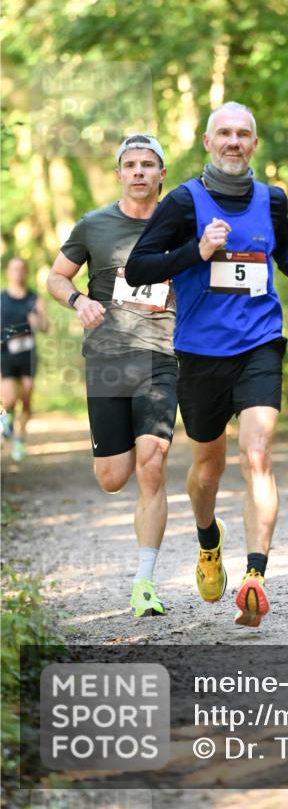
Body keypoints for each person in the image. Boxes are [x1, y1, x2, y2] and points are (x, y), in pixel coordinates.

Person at [126, 101, 288, 628]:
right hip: (200, 353)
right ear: (208, 143)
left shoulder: (272, 200)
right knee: (207, 469)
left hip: (260, 344)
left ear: (254, 144)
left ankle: (255, 576)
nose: (235, 142)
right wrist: (197, 251)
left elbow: (287, 247)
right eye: (225, 134)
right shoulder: (185, 202)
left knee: (257, 453)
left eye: (244, 134)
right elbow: (141, 267)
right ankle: (209, 540)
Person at [46, 135, 178, 618]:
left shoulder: (181, 223)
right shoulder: (94, 225)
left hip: (161, 355)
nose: (139, 171)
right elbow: (56, 277)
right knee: (113, 477)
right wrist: (78, 301)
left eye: (148, 164)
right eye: (130, 164)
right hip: (107, 358)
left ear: (162, 173)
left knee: (153, 464)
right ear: (119, 173)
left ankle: (144, 582)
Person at [1, 257, 48, 462]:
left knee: (26, 399)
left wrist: (37, 319)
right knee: (9, 398)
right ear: (7, 273)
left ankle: (19, 439)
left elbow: (45, 327)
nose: (17, 273)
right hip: (5, 354)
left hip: (28, 354)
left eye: (21, 269)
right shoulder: (1, 298)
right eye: (14, 269)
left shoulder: (34, 299)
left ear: (26, 273)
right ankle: (7, 420)